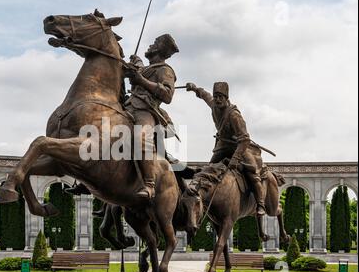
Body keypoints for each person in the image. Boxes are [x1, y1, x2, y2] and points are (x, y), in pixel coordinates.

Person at [66, 34, 179, 200]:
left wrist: (140, 80)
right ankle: (87, 174)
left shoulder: (166, 70)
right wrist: (130, 67)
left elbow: (167, 95)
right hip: (126, 108)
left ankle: (149, 184)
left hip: (145, 111)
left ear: (160, 49)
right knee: (97, 132)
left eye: (155, 43)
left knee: (140, 138)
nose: (151, 45)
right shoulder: (146, 68)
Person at [186, 82, 266, 216]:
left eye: (220, 97)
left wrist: (235, 159)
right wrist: (194, 88)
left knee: (253, 173)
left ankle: (260, 204)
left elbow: (245, 139)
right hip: (222, 146)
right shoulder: (213, 105)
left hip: (238, 147)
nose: (217, 99)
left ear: (226, 98)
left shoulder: (234, 115)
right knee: (208, 170)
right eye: (216, 96)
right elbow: (204, 95)